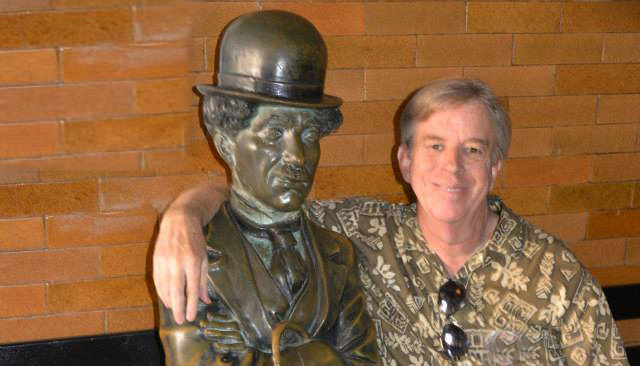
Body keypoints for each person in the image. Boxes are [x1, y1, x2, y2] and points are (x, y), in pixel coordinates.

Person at [154, 78, 629, 365]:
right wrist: (184, 215)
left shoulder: (556, 273)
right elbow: (254, 202)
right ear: (405, 161)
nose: (453, 169)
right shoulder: (360, 232)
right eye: (435, 146)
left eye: (473, 150)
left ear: (495, 167)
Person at [157, 10, 378, 365]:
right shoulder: (193, 256)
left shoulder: (337, 253)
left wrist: (255, 357)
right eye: (274, 133)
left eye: (308, 135)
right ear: (227, 143)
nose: (297, 156)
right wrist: (323, 356)